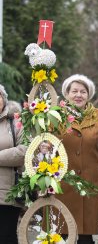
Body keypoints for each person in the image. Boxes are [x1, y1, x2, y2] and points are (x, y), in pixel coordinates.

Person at [57, 74, 98, 244]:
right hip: (62, 184)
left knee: (85, 237)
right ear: (66, 94)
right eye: (74, 91)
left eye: (83, 91)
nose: (78, 95)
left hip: (90, 185)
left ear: (89, 95)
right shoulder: (55, 116)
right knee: (62, 233)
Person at [0, 84, 27, 244]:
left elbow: (24, 151)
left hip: (8, 194)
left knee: (6, 237)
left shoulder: (15, 122)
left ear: (4, 99)